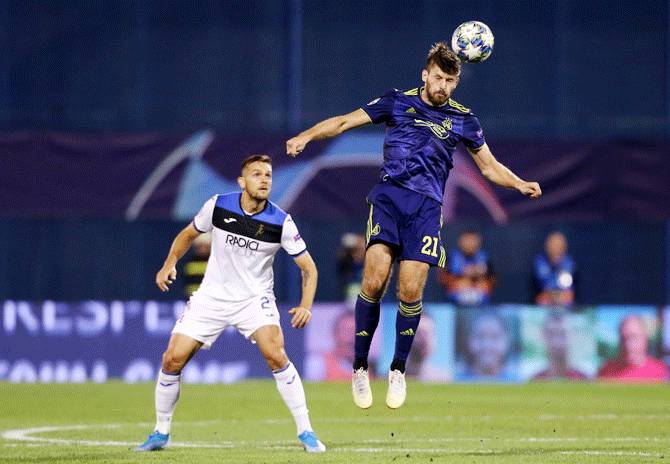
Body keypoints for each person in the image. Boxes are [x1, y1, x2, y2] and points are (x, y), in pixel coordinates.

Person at [286, 42, 541, 409]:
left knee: (409, 290)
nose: (444, 86)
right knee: (373, 280)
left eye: (451, 81)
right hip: (389, 200)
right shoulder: (397, 102)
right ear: (425, 74)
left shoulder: (464, 120)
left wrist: (518, 183)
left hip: (426, 209)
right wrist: (307, 135)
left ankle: (398, 370)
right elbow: (344, 121)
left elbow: (489, 166)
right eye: (439, 78)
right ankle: (359, 368)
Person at [135, 155, 326, 453]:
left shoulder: (281, 222)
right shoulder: (218, 205)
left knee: (276, 354)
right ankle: (161, 432)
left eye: (269, 175)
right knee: (172, 359)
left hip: (254, 299)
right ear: (242, 181)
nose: (264, 180)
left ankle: (307, 432)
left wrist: (306, 305)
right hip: (212, 297)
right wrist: (169, 262)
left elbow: (309, 269)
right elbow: (188, 235)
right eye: (257, 174)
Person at [598, 314, 668, 383]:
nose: (628, 345)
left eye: (633, 337)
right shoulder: (606, 372)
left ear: (645, 339)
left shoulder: (661, 372)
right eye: (624, 338)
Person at [436, 230, 497, 306]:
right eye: (467, 240)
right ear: (460, 241)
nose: (470, 244)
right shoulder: (451, 257)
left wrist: (476, 283)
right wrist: (457, 283)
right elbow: (443, 279)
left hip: (481, 300)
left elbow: (492, 281)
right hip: (454, 300)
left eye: (473, 240)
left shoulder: (485, 258)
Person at [459, 312, 516, 381]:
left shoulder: (519, 383)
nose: (487, 345)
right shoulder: (454, 382)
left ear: (507, 340)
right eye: (480, 336)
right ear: (469, 340)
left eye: (495, 337)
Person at [532, 312, 587, 380]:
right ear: (543, 337)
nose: (557, 342)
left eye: (562, 334)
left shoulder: (584, 379)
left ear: (574, 336)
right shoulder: (535, 380)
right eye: (552, 334)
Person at [532, 231, 577, 307]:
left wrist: (557, 296)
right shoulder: (540, 261)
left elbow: (568, 293)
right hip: (544, 301)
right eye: (552, 243)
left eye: (558, 244)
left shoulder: (568, 263)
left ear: (564, 246)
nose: (555, 246)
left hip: (564, 302)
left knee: (568, 300)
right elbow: (540, 291)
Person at [336, 233, 366, 305]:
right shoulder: (346, 261)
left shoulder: (370, 257)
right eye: (353, 250)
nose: (357, 253)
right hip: (355, 291)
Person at [182, 232, 211, 298]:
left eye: (205, 245)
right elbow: (187, 285)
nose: (202, 249)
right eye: (200, 245)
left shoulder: (217, 263)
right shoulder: (189, 263)